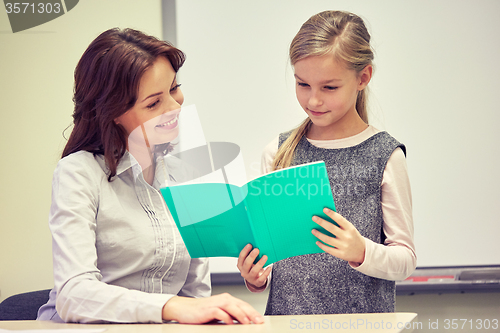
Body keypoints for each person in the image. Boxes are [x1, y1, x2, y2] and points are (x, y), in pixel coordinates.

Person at [37, 28, 264, 325]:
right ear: (113, 112)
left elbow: (194, 295)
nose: (174, 107)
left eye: (174, 88)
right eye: (154, 103)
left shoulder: (185, 175)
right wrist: (171, 307)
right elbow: (74, 294)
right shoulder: (78, 173)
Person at [237, 10, 416, 315]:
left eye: (329, 87)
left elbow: (405, 260)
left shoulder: (385, 154)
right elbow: (271, 256)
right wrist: (255, 278)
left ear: (363, 77)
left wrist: (362, 252)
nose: (313, 100)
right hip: (287, 322)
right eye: (302, 84)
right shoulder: (278, 152)